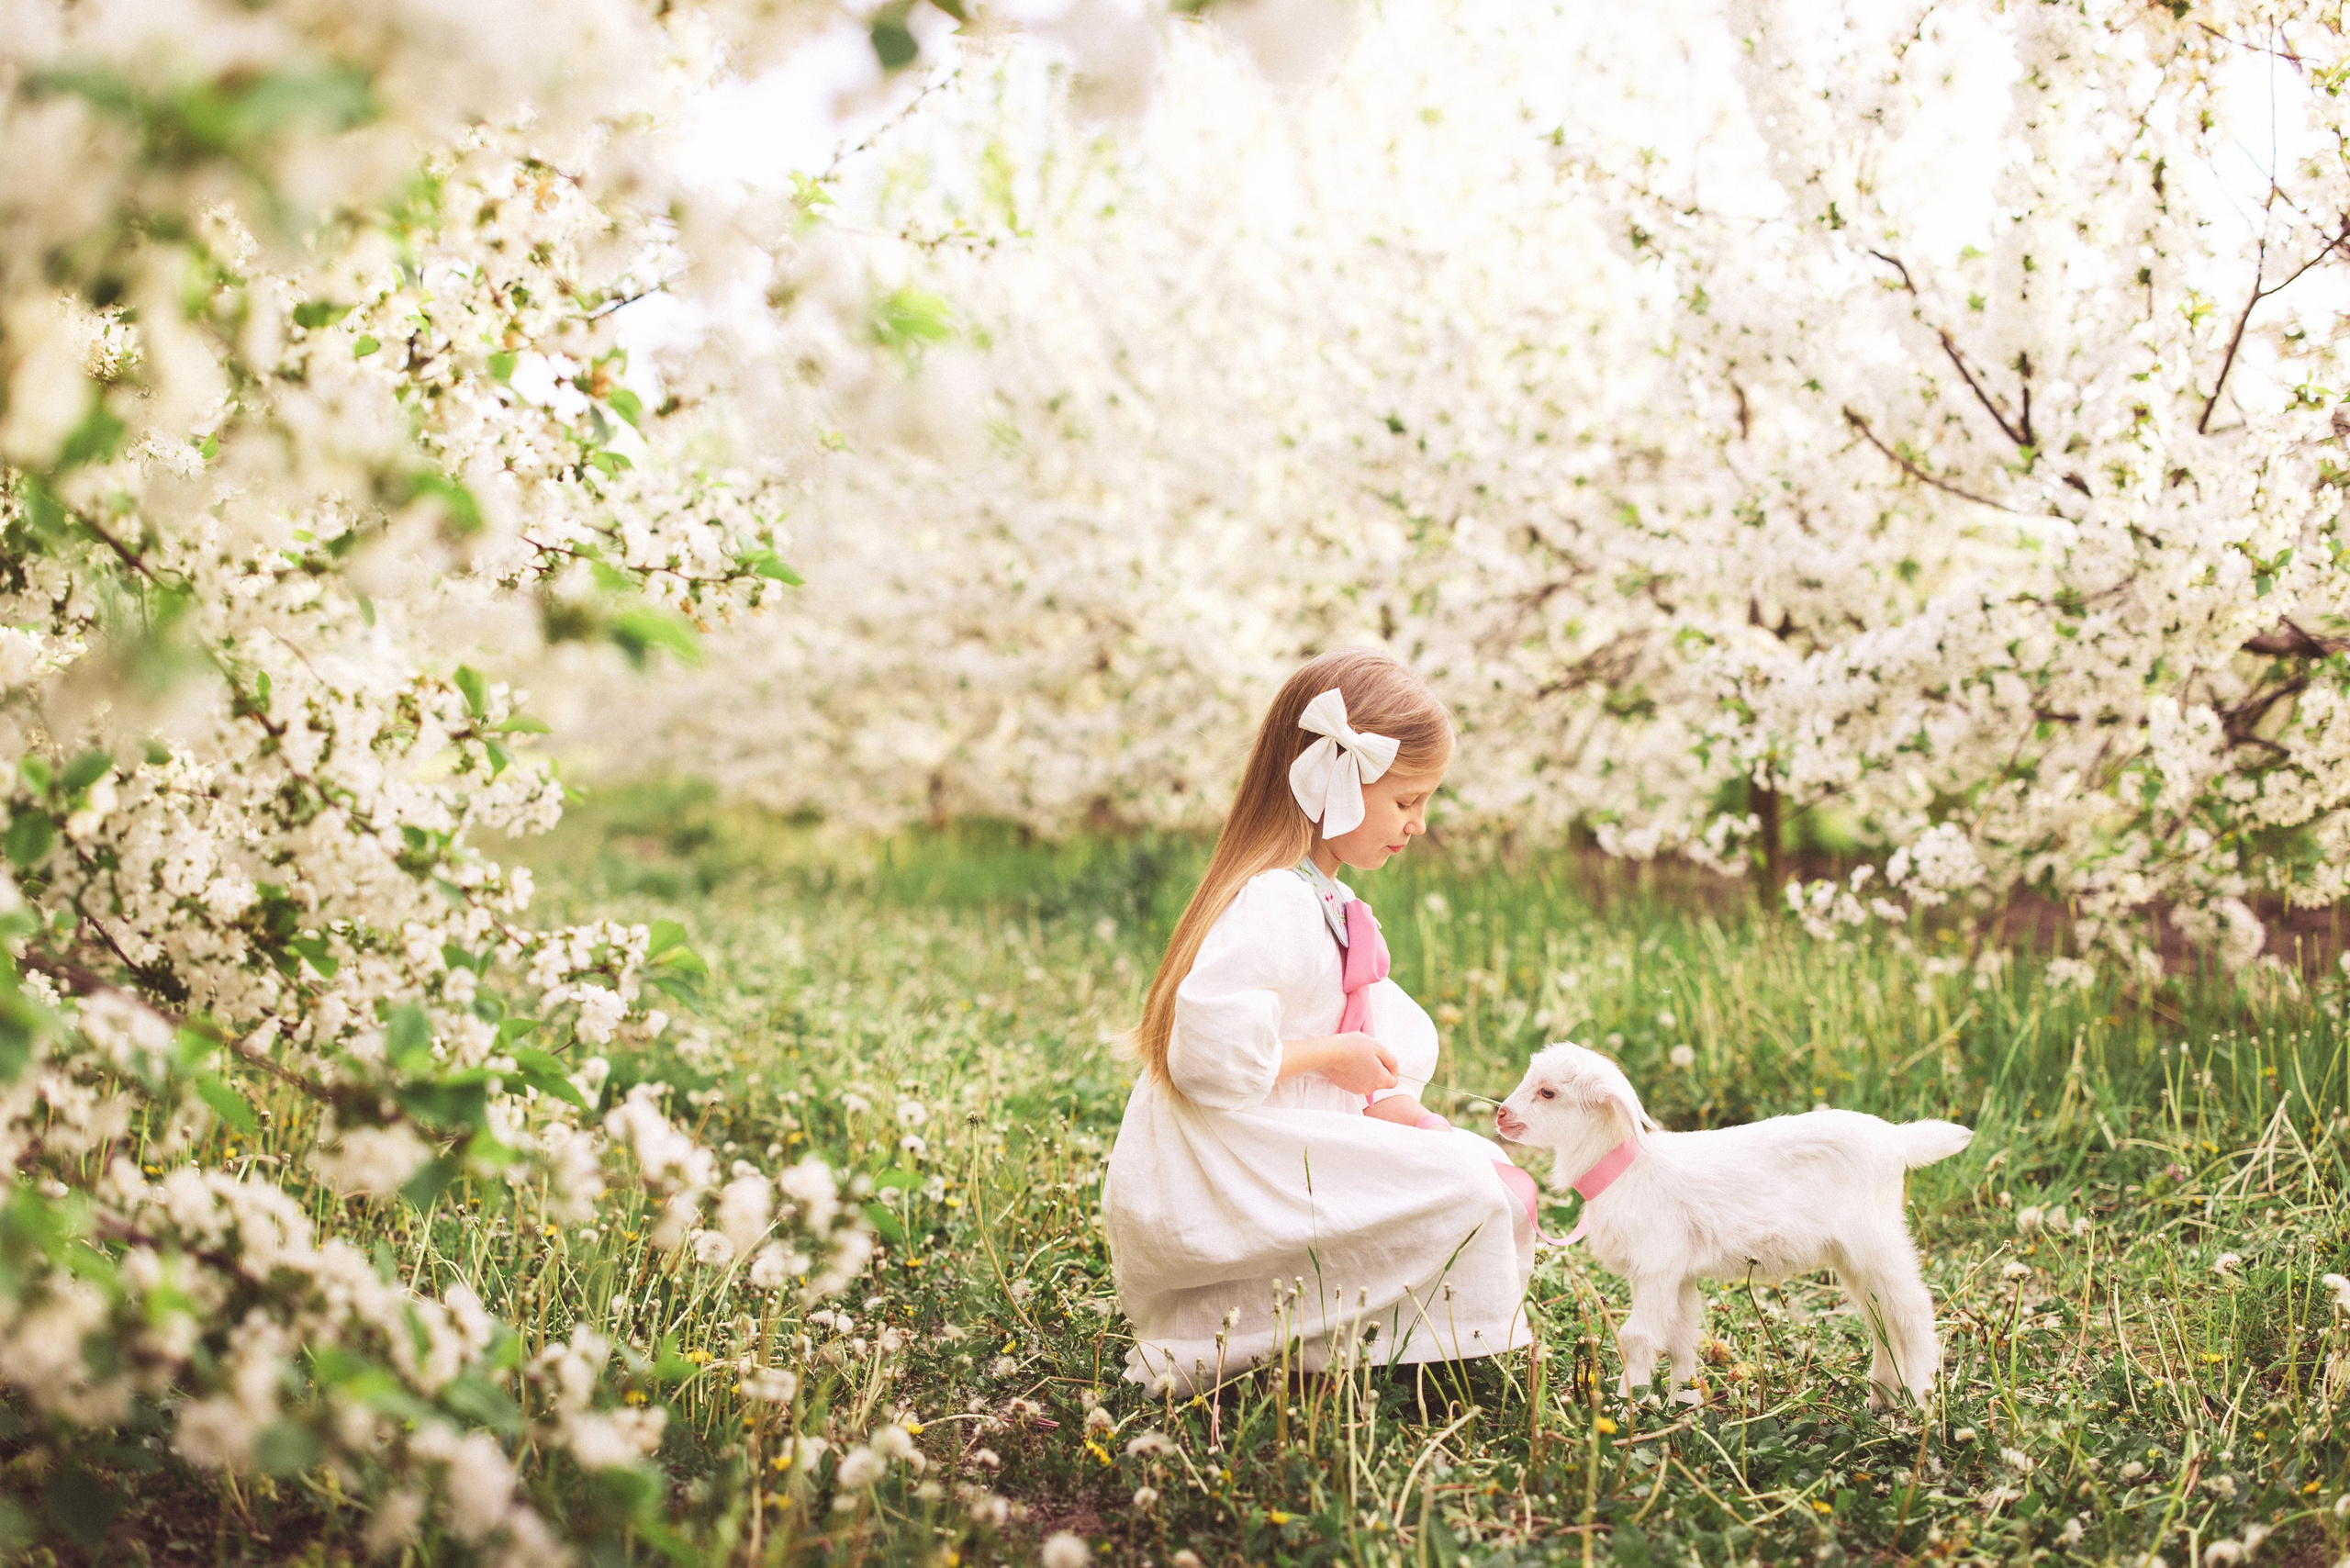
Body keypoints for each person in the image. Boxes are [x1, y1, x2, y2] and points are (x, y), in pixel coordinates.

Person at [1102, 648, 1535, 1393]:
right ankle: (1298, 1343)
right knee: (1464, 1186)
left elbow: (1369, 1032)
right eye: (1406, 802)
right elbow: (1205, 1059)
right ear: (1333, 781)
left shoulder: (1329, 901)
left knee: (1478, 1170)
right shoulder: (1272, 900)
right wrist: (1331, 1056)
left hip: (1294, 1140)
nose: (1419, 825)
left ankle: (1377, 1347)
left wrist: (1399, 1107)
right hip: (1238, 1160)